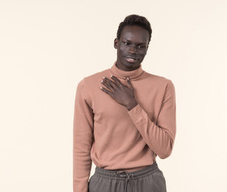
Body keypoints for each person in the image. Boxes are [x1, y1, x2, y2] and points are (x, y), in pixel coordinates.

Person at [73, 14, 176, 192]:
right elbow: (81, 147)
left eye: (140, 46)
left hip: (148, 182)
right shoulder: (88, 86)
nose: (133, 51)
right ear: (116, 43)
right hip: (105, 183)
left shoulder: (163, 87)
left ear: (147, 48)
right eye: (127, 43)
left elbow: (165, 149)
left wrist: (132, 105)